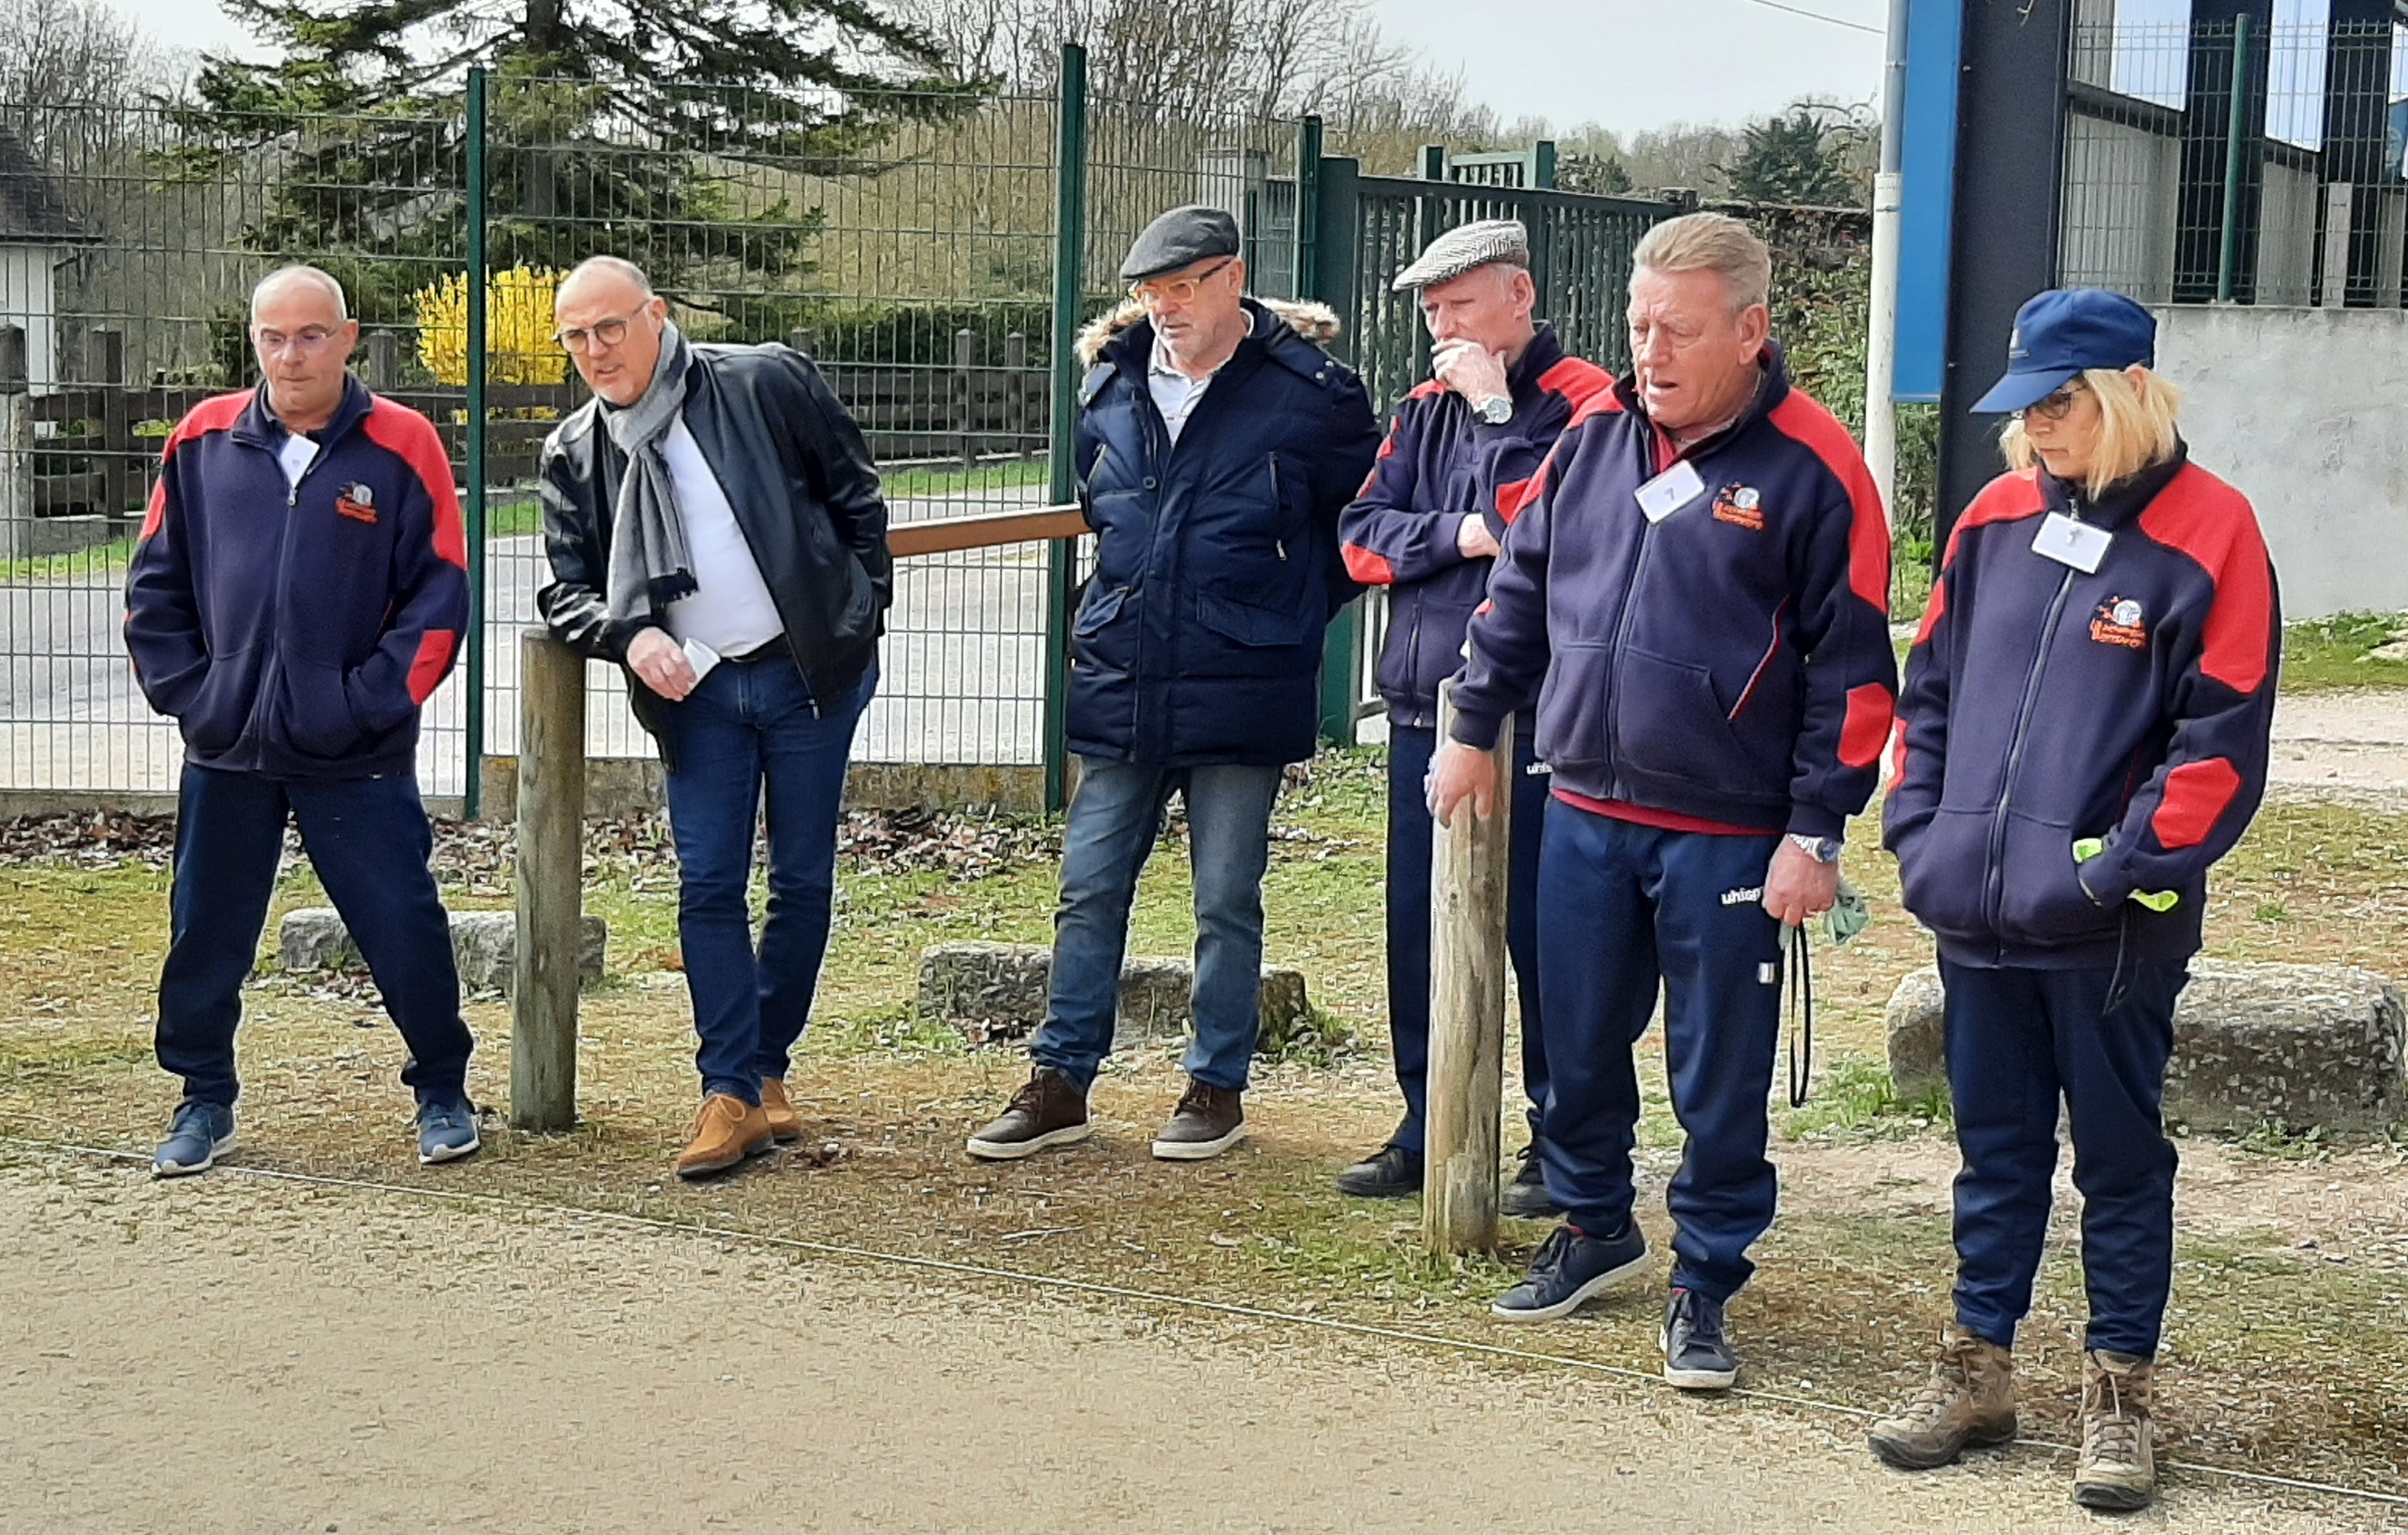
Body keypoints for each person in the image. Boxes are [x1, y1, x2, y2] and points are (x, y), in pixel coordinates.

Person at [1428, 213, 1896, 1388]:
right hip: (1583, 803)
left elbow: (1854, 671)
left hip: (1732, 832)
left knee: (1716, 1070)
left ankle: (1706, 1278)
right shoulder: (1594, 439)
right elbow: (1521, 590)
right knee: (1575, 1042)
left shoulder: (1817, 469)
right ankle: (1594, 1223)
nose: (1652, 353)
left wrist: (1815, 831)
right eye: (1639, 327)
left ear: (1750, 330)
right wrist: (1478, 728)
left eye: (1678, 331)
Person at [1867, 289, 2278, 1512]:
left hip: (2108, 929)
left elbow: (2220, 739)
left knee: (2115, 1158)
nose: (2038, 431)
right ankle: (1978, 1368)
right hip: (1975, 917)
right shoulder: (1993, 518)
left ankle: (2117, 1391)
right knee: (1992, 1155)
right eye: (2026, 408)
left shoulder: (2215, 532)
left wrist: (2115, 871)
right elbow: (1927, 689)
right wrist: (1918, 833)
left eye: (2060, 406)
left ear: (2127, 395)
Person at [965, 205, 1380, 1164]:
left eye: (1184, 287)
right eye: (1151, 293)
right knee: (1088, 887)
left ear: (1233, 280)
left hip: (1246, 681)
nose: (1165, 308)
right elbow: (1099, 508)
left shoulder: (1314, 394)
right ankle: (1061, 1079)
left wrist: (1277, 619)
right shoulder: (1109, 382)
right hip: (1122, 674)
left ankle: (1213, 1086)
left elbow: (1356, 533)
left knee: (1226, 897)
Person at [536, 256, 891, 1180]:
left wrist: (860, 611)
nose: (595, 351)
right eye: (575, 336)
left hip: (807, 674)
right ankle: (727, 1091)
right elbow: (564, 589)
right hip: (696, 696)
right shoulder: (576, 450)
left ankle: (769, 1071)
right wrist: (627, 632)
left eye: (610, 327)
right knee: (707, 886)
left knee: (803, 880)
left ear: (654, 316)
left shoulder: (762, 381)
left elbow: (854, 495)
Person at [124, 264, 477, 1176]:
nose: (292, 354)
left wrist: (362, 704)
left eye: (312, 335)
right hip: (227, 750)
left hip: (355, 754)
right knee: (205, 930)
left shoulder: (404, 445)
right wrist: (197, 697)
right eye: (274, 337)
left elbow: (439, 600)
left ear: (348, 338)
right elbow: (153, 590)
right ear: (255, 343)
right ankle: (204, 1099)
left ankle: (442, 1087)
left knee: (402, 921)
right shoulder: (200, 441)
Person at [1332, 219, 1614, 1211]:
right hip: (1425, 705)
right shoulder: (1419, 410)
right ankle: (1429, 1117)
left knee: (1545, 936)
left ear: (1518, 296)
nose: (1439, 328)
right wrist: (1458, 532)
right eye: (1429, 310)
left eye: (1456, 306)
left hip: (1539, 713)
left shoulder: (1589, 404)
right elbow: (1363, 539)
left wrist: (1497, 421)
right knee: (1420, 927)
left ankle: (1557, 1139)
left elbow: (1547, 529)